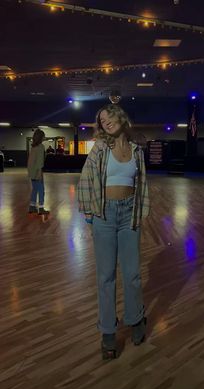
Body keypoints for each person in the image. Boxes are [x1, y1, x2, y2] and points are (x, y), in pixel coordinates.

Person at [78, 104, 150, 359]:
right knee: (106, 276)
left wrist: (140, 214)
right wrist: (89, 217)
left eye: (108, 117)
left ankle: (136, 319)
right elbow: (86, 179)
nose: (105, 122)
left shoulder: (137, 151)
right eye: (101, 120)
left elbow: (142, 185)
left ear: (121, 116)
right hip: (104, 215)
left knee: (132, 274)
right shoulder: (100, 148)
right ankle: (108, 331)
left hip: (129, 214)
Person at [27, 129, 50, 215]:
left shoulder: (33, 146)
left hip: (31, 171)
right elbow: (40, 162)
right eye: (43, 136)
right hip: (37, 171)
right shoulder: (41, 147)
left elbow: (30, 160)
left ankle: (32, 207)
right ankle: (41, 208)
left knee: (34, 189)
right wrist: (40, 173)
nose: (44, 137)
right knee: (41, 190)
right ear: (41, 137)